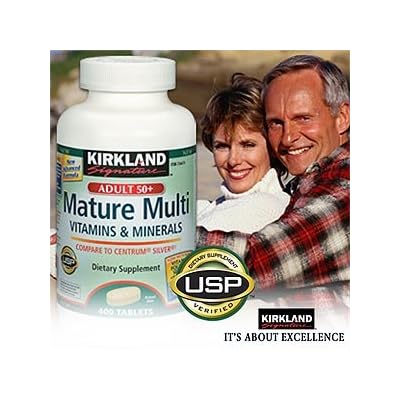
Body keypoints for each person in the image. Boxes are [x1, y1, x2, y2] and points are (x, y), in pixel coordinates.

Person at [197, 55, 350, 297]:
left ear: (342, 118)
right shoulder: (308, 183)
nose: (288, 138)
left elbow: (258, 261)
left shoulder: (347, 186)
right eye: (276, 123)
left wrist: (163, 235)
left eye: (303, 118)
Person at [197, 73, 290, 234]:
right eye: (222, 146)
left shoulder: (263, 206)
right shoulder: (214, 207)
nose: (233, 160)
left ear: (272, 147)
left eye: (248, 145)